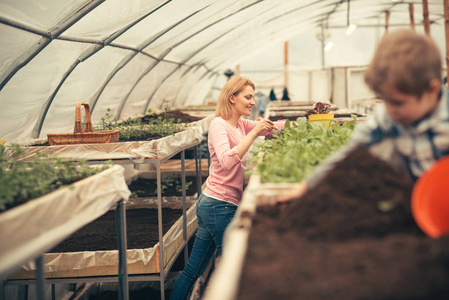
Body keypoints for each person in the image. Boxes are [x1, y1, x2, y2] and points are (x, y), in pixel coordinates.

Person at [278, 29, 449, 203]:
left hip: (441, 199)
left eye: (398, 103)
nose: (389, 110)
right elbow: (351, 150)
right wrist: (307, 186)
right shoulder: (387, 117)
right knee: (374, 150)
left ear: (431, 91)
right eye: (385, 101)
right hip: (411, 198)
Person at [170, 76, 286, 300]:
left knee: (192, 271)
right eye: (248, 97)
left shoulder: (240, 124)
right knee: (233, 271)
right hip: (219, 206)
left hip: (215, 204)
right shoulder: (218, 125)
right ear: (232, 97)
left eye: (253, 97)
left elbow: (272, 128)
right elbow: (226, 161)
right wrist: (254, 134)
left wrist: (309, 119)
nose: (253, 102)